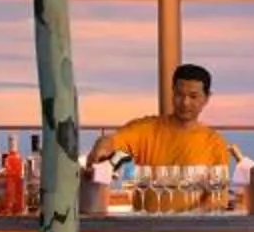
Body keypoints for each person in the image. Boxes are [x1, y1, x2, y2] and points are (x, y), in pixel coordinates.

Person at [90, 63, 239, 167]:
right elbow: (112, 140)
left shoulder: (215, 144)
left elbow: (216, 198)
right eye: (179, 95)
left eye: (193, 96)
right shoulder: (146, 129)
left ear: (206, 98)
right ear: (173, 93)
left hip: (196, 213)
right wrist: (102, 146)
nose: (185, 102)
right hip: (147, 213)